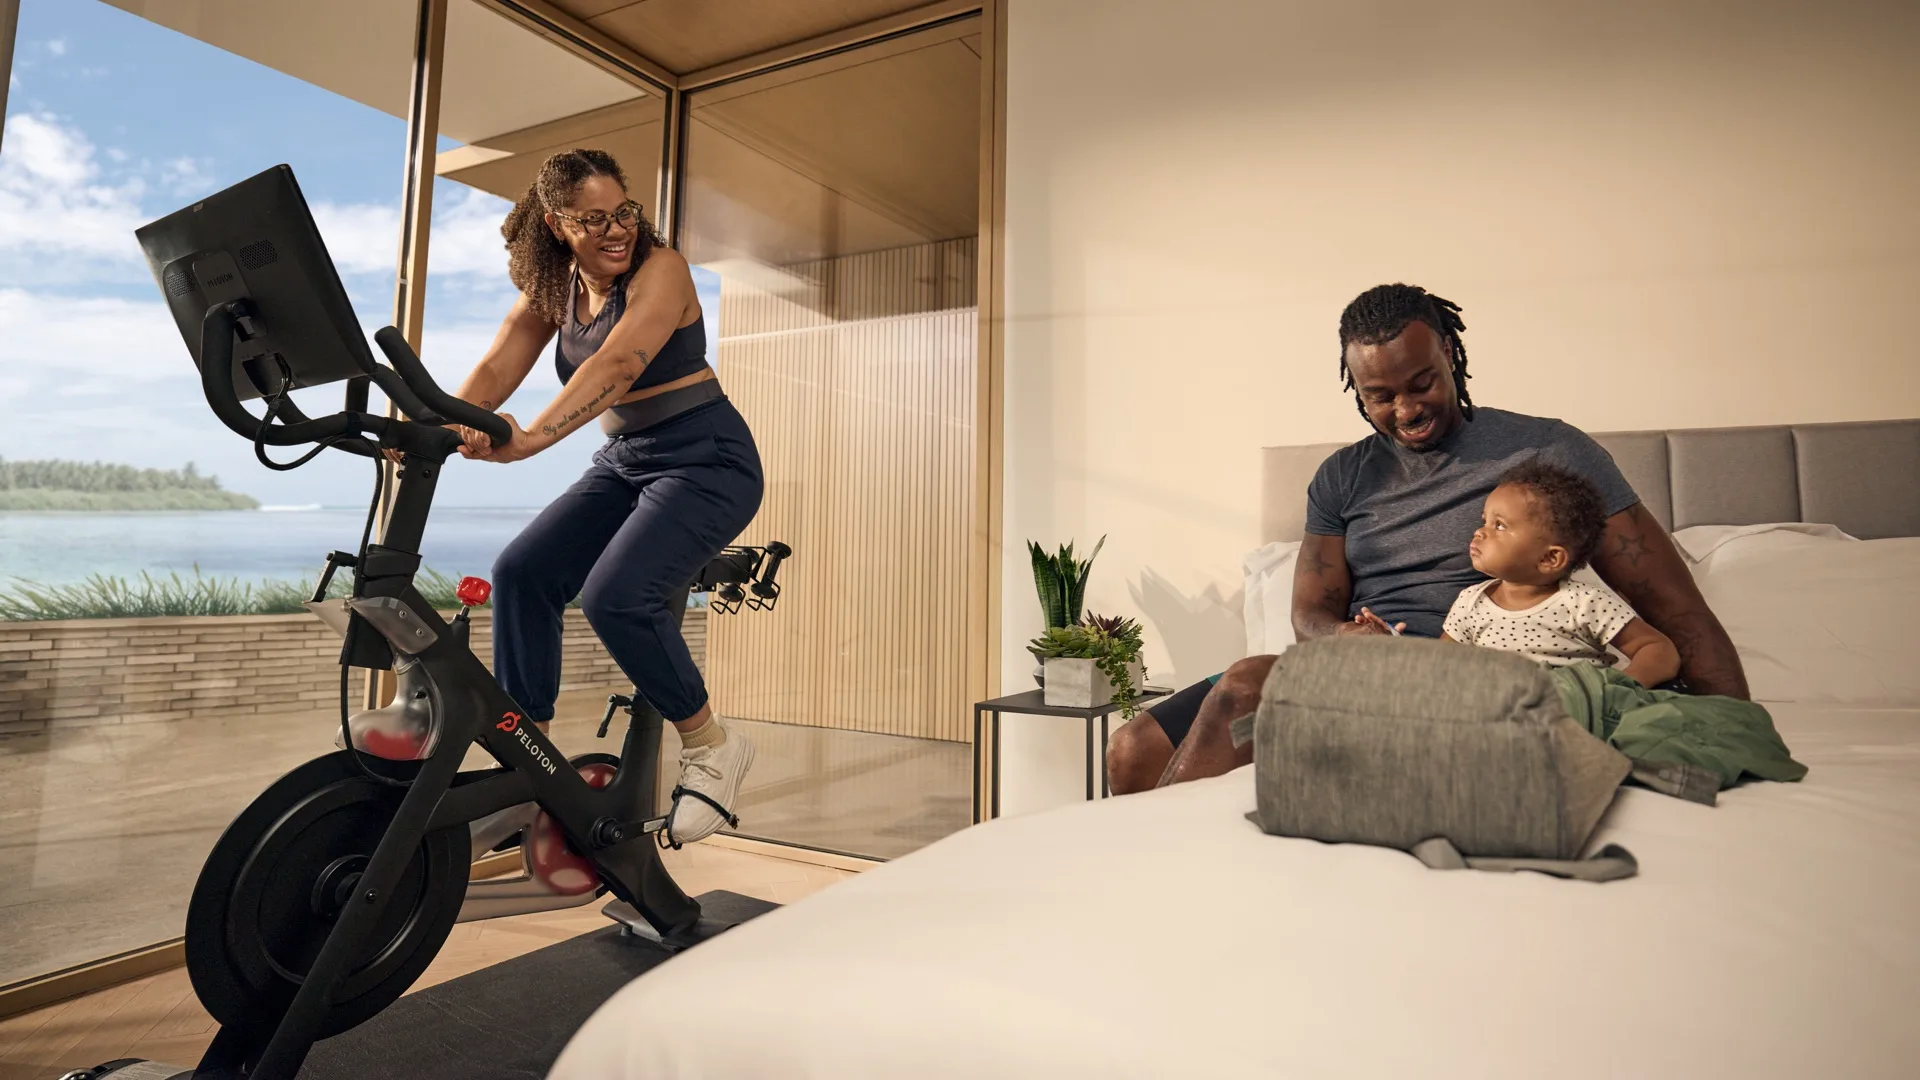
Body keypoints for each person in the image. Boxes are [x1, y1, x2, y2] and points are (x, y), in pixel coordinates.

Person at [1105, 282, 1746, 794]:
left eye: (1421, 384)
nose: (1406, 411)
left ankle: (1161, 881)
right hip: (1350, 674)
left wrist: (1734, 727)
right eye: (1380, 396)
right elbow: (1309, 615)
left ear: (1449, 352)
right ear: (1355, 388)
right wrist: (1342, 637)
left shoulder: (1550, 451)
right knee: (1131, 747)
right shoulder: (1341, 478)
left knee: (1246, 687)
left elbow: (1675, 609)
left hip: (1458, 681)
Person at [418, 148, 762, 846]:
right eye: (595, 218)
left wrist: (534, 438)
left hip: (707, 460)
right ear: (556, 224)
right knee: (524, 572)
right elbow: (496, 366)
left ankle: (712, 746)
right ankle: (530, 761)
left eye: (625, 212)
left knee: (616, 597)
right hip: (628, 459)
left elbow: (620, 360)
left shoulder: (661, 268)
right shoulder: (556, 287)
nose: (617, 231)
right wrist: (425, 428)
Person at [1440, 460, 1680, 688]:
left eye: (1499, 525)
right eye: (1485, 521)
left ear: (1549, 559)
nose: (1480, 532)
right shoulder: (1470, 602)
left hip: (1574, 711)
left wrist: (1623, 689)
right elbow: (1438, 664)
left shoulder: (1582, 603)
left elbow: (1656, 648)